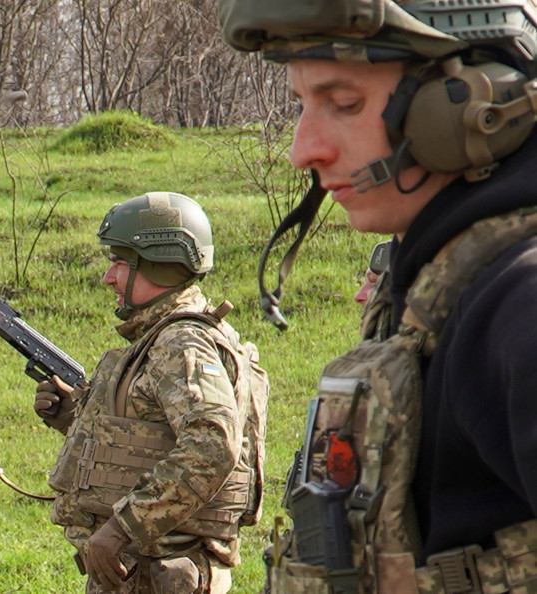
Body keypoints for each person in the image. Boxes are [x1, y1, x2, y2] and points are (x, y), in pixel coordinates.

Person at [218, 0, 537, 592]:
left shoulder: (519, 300)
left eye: (345, 103)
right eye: (302, 104)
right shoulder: (435, 284)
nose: (303, 150)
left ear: (480, 105)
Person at [35, 191, 268, 593]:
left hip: (158, 574)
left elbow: (213, 445)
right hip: (147, 570)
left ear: (157, 264)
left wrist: (121, 528)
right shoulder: (166, 337)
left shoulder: (181, 343)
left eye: (119, 263)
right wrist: (73, 419)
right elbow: (152, 440)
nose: (108, 278)